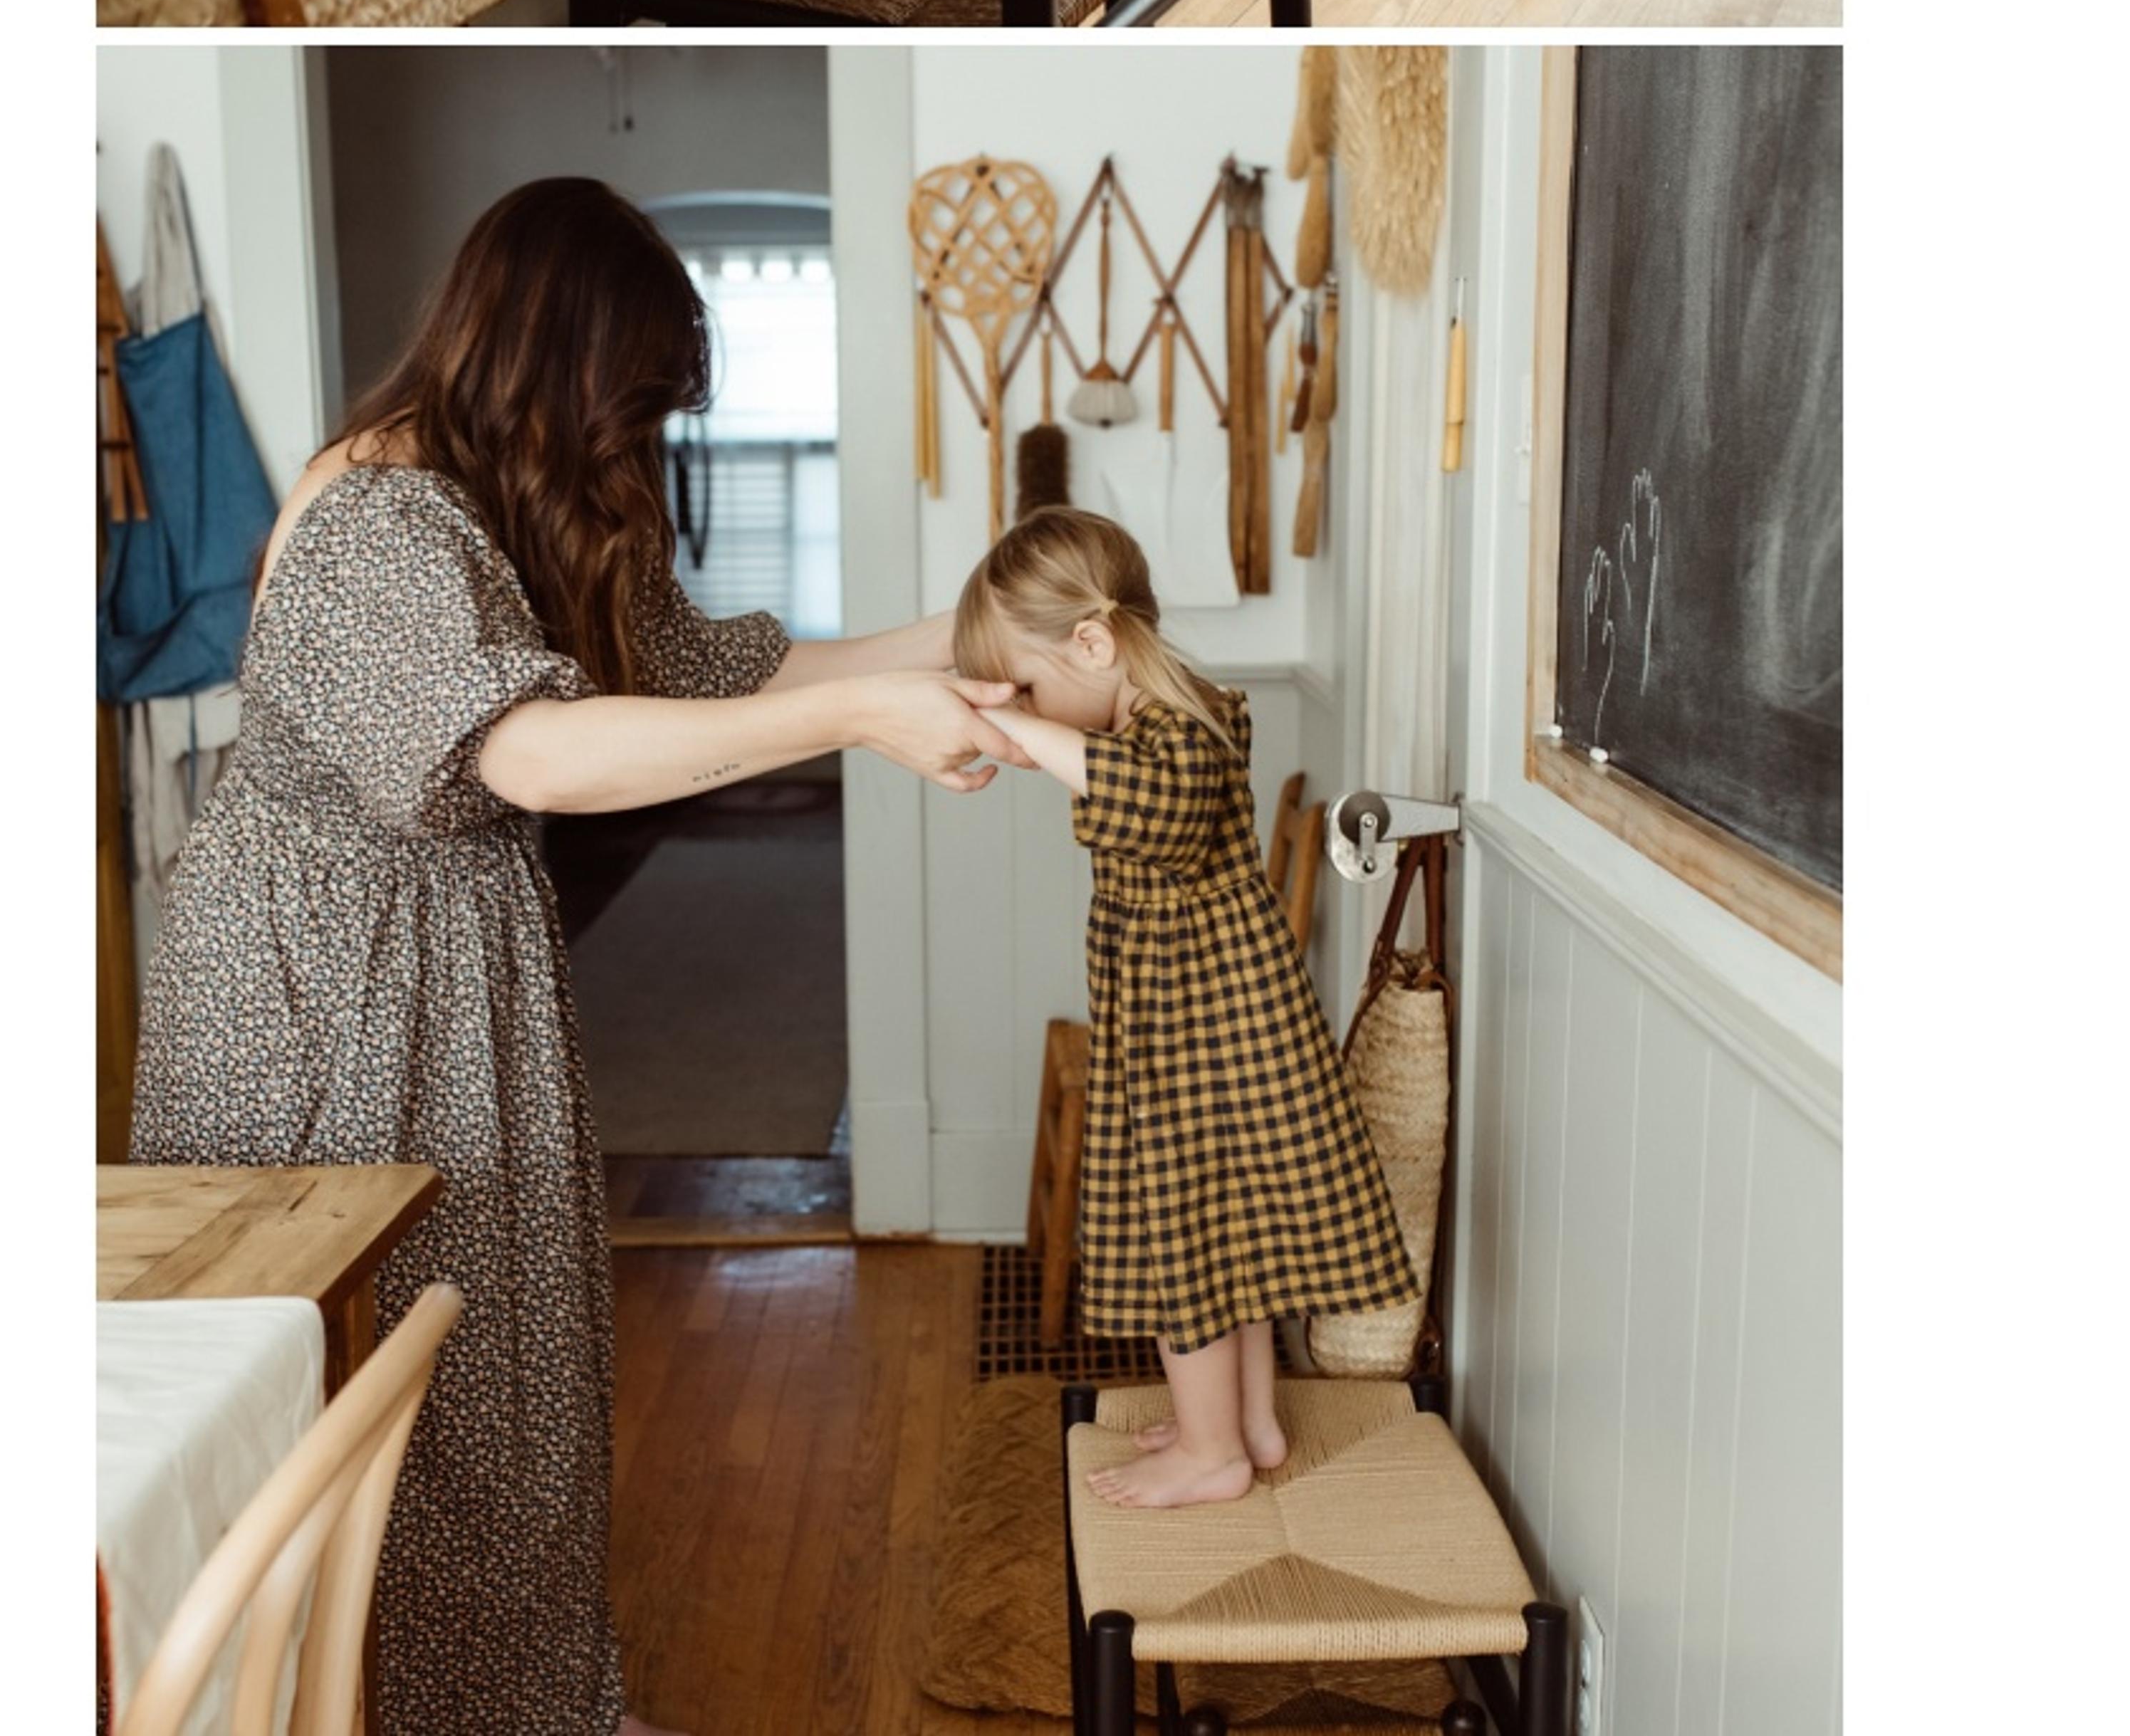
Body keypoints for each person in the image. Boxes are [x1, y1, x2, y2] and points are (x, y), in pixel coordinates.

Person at [129, 179, 1023, 1736]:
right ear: (544, 368)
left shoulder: (500, 503)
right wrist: (864, 721)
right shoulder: (375, 522)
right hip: (320, 1018)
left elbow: (705, 668)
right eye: (630, 415)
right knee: (360, 1407)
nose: (642, 455)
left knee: (499, 1393)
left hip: (444, 985)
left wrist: (960, 641)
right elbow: (533, 756)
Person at [955, 508, 1419, 1508]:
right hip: (1201, 1032)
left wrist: (1017, 733)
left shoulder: (1184, 733)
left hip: (1206, 1046)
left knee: (1188, 1251)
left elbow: (1157, 810)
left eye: (1031, 685)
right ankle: (1243, 1425)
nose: (1027, 711)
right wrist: (1024, 719)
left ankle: (1210, 1456)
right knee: (1231, 1244)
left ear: (1092, 643)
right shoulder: (1167, 716)